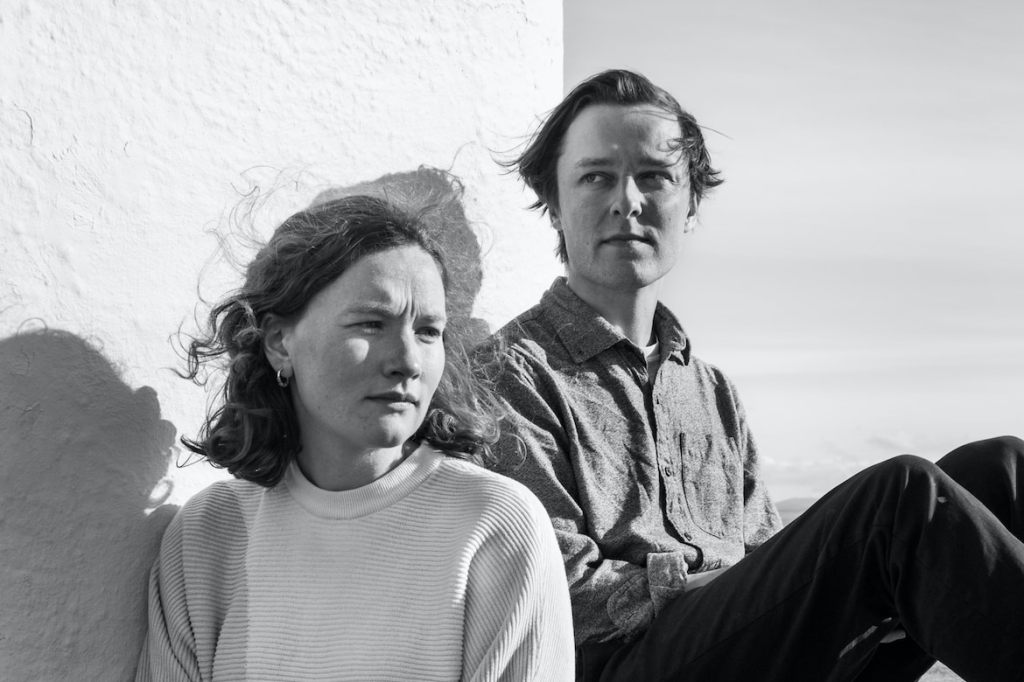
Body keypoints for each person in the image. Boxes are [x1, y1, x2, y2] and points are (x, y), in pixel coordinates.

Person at [476, 69, 1024, 681]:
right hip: (627, 664)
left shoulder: (710, 391)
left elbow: (767, 555)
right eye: (597, 176)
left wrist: (823, 589)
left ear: (690, 205)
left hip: (754, 657)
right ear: (554, 204)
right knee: (898, 500)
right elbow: (554, 590)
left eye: (654, 176)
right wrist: (725, 584)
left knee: (1003, 470)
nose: (627, 201)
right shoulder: (510, 374)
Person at [136, 191, 575, 681]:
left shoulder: (496, 526)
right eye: (371, 323)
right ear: (280, 342)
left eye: (428, 331)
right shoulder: (208, 535)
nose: (408, 361)